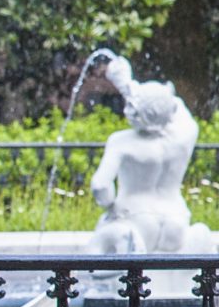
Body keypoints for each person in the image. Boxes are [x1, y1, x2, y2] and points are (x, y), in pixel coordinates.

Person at [88, 54, 212, 255]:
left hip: (134, 219)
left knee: (108, 260)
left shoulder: (121, 142)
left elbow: (101, 186)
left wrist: (109, 204)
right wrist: (129, 87)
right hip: (176, 221)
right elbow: (173, 106)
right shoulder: (184, 136)